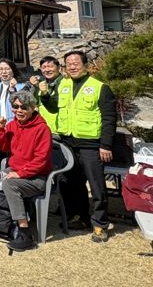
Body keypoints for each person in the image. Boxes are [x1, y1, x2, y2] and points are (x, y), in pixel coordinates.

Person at [40, 50, 116, 243]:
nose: (72, 67)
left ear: (86, 65)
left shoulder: (99, 87)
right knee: (71, 182)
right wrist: (45, 95)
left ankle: (100, 223)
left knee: (96, 185)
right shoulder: (64, 85)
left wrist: (105, 145)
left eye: (76, 63)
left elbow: (109, 118)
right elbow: (53, 107)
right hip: (68, 142)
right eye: (69, 64)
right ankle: (79, 216)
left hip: (91, 144)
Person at [0, 90, 53, 252]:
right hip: (15, 170)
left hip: (37, 177)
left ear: (33, 108)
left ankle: (24, 233)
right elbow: (4, 147)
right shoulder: (12, 124)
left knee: (10, 184)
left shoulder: (42, 129)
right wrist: (0, 129)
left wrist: (20, 173)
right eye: (15, 106)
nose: (19, 110)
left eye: (24, 107)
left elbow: (41, 160)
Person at [0, 58, 26, 125]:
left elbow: (21, 106)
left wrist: (12, 89)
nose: (4, 72)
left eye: (7, 69)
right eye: (1, 69)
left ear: (13, 70)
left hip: (15, 126)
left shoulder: (22, 87)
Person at [34, 56, 62, 132]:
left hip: (60, 130)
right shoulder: (41, 84)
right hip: (44, 128)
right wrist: (34, 86)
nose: (47, 70)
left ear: (59, 68)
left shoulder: (65, 83)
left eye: (50, 66)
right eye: (44, 67)